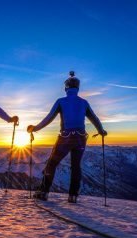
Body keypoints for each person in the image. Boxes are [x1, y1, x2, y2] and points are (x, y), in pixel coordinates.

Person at [27, 71, 107, 203]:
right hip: (81, 138)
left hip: (65, 137)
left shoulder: (61, 102)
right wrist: (101, 130)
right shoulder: (84, 102)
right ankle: (73, 196)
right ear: (78, 88)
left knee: (52, 164)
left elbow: (48, 118)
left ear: (66, 88)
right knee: (76, 166)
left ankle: (43, 192)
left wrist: (35, 128)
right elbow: (94, 118)